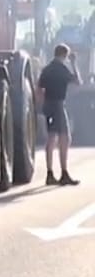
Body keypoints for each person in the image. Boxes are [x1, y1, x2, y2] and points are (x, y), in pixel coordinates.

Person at [38, 44, 80, 185]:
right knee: (65, 138)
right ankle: (64, 172)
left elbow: (39, 88)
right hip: (58, 104)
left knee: (51, 139)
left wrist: (42, 105)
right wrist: (74, 64)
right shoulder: (62, 69)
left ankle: (50, 173)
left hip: (48, 104)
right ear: (64, 55)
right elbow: (78, 82)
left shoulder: (47, 69)